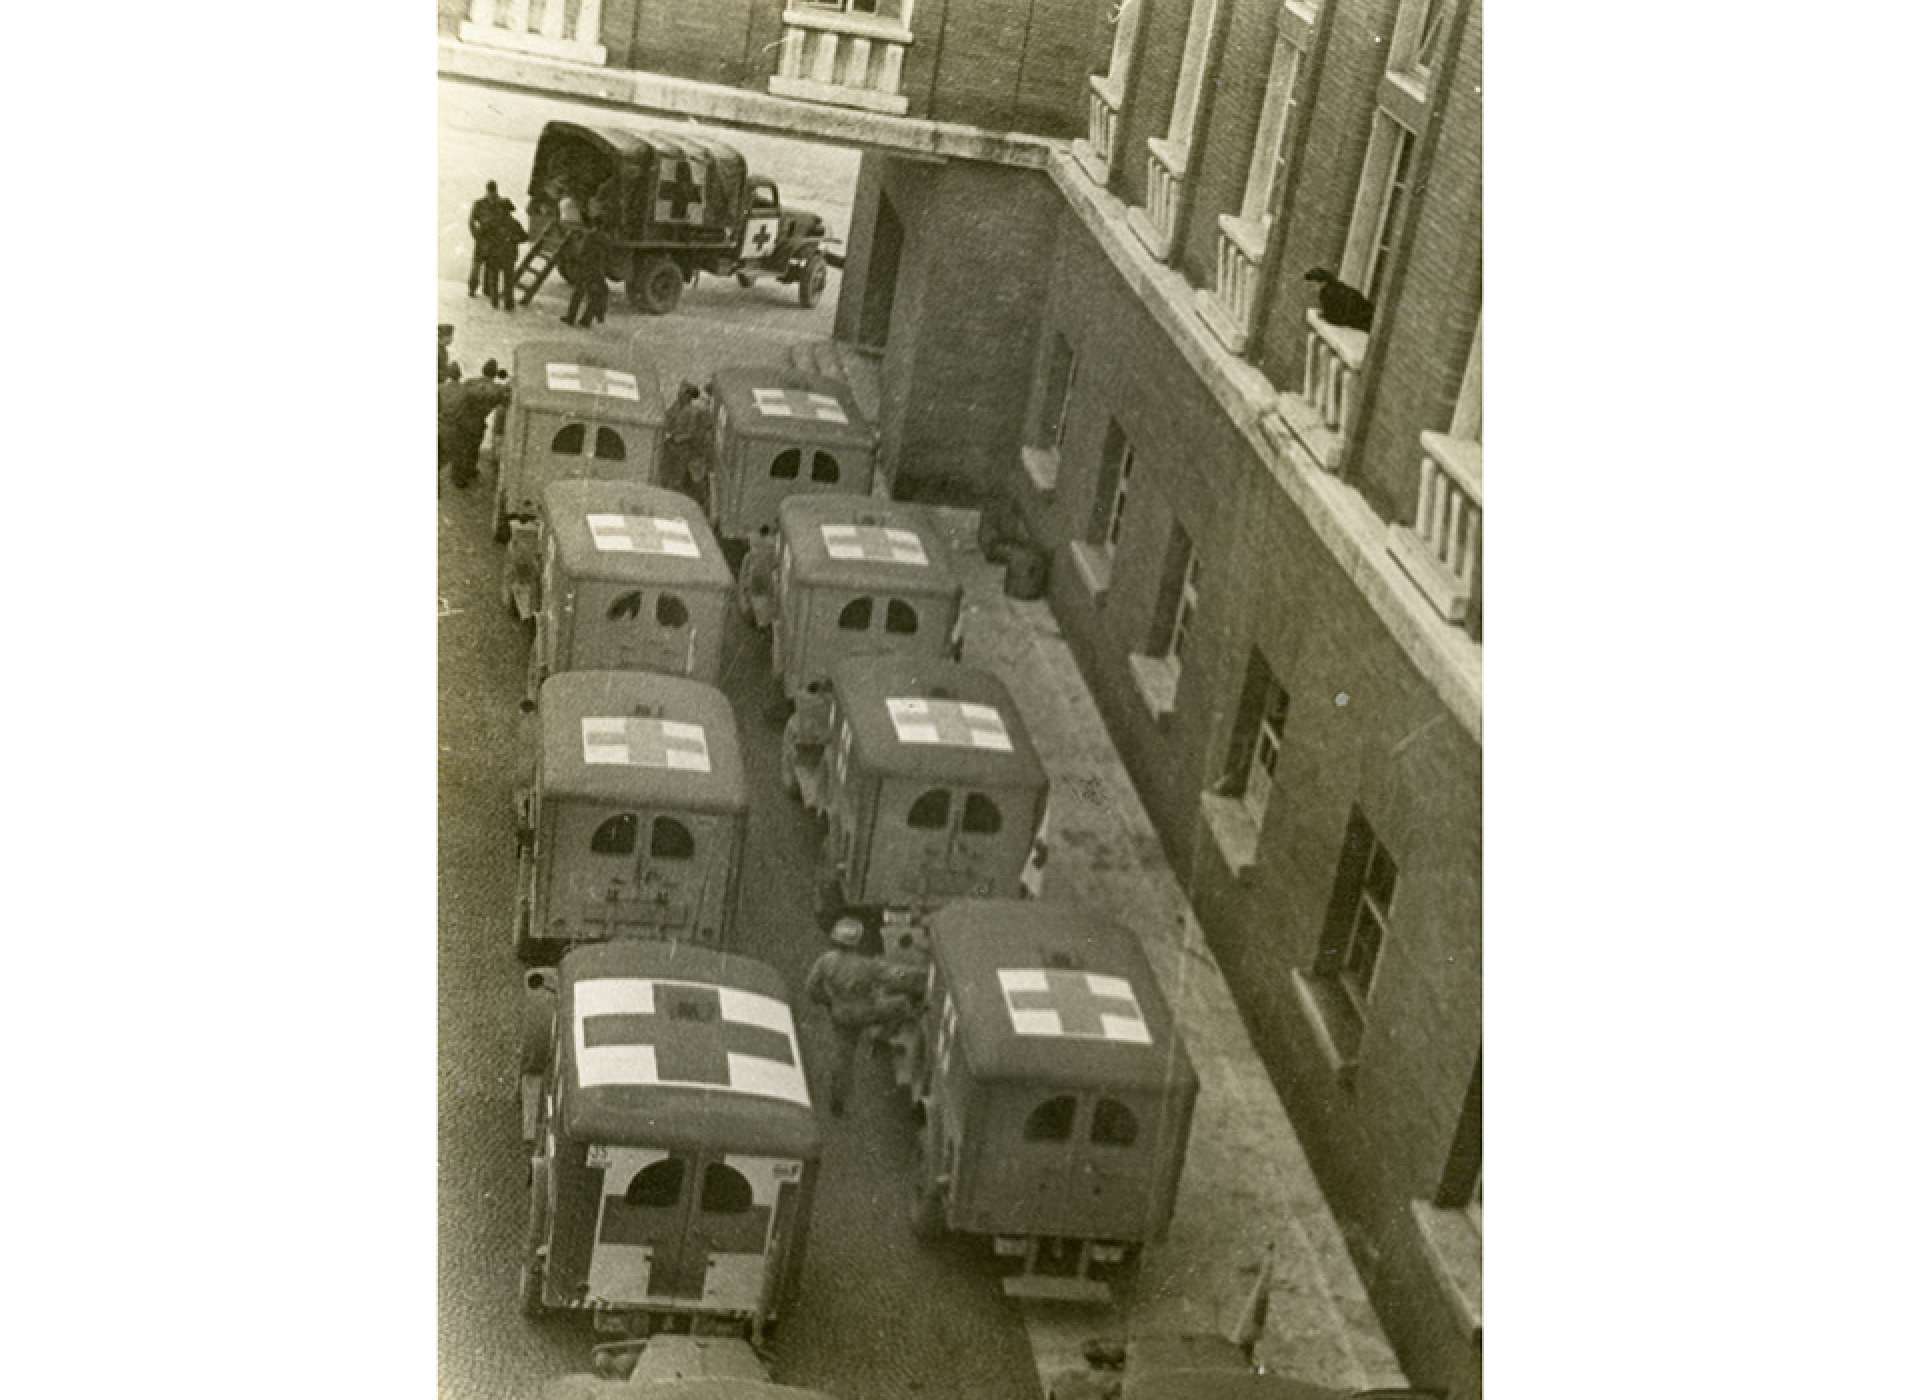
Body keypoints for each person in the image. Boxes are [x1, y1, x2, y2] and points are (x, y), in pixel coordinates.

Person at [803, 918, 884, 1116]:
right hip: (863, 1014)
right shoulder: (866, 965)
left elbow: (811, 987)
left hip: (839, 1014)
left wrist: (826, 1001)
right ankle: (876, 1039)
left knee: (843, 1056)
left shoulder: (827, 961)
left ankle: (837, 1098)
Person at [440, 367, 513, 489]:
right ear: (494, 374)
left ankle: (458, 478)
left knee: (461, 450)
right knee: (473, 449)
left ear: (483, 370)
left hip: (463, 421)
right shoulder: (496, 389)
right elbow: (504, 400)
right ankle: (470, 471)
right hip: (478, 424)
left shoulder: (470, 382)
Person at [780, 678, 832, 801]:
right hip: (809, 750)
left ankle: (798, 786)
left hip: (806, 750)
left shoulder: (794, 721)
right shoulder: (820, 706)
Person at [467, 180, 509, 297]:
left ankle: (488, 290)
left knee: (492, 266)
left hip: (495, 240)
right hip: (482, 239)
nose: (492, 194)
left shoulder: (502, 203)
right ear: (487, 191)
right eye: (490, 191)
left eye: (494, 191)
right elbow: (471, 221)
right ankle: (472, 288)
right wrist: (475, 234)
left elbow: (507, 220)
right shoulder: (479, 203)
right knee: (477, 265)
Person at [563, 225, 610, 328]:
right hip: (596, 270)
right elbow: (607, 254)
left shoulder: (589, 237)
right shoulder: (606, 238)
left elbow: (582, 253)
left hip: (585, 268)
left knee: (578, 293)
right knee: (595, 295)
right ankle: (586, 320)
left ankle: (571, 318)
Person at [485, 203, 528, 312]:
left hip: (496, 255)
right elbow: (524, 237)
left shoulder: (493, 222)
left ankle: (495, 302)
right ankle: (508, 303)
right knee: (507, 280)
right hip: (508, 256)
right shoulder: (514, 223)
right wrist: (514, 239)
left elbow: (484, 235)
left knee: (494, 279)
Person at [1302, 266, 1374, 332]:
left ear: (1323, 282)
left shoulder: (1329, 293)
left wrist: (1325, 316)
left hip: (1367, 320)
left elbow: (1337, 318)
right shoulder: (1333, 287)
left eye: (1312, 285)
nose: (1311, 289)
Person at [739, 524, 778, 626]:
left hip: (758, 585)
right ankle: (762, 620)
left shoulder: (750, 555)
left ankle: (760, 620)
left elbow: (743, 579)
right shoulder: (770, 547)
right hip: (761, 584)